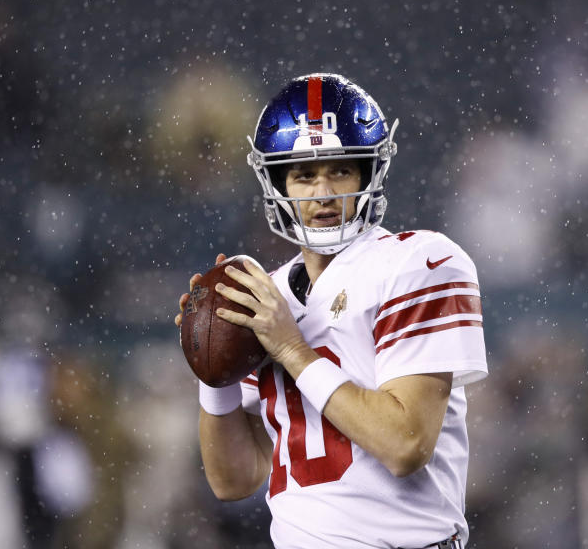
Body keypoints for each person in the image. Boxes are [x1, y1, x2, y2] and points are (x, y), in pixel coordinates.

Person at [174, 73, 488, 548]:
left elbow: (405, 444)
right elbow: (233, 480)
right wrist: (211, 368)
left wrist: (291, 349)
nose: (323, 193)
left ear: (368, 174)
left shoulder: (417, 262)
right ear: (278, 182)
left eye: (340, 170)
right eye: (304, 175)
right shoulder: (267, 293)